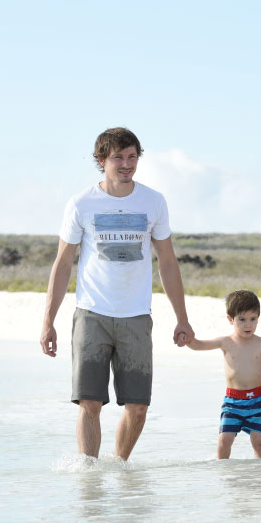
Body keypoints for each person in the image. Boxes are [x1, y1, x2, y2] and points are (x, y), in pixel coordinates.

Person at [40, 127, 195, 461]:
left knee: (138, 407)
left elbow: (167, 262)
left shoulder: (153, 201)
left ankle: (119, 467)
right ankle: (89, 478)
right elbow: (63, 263)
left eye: (132, 157)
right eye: (118, 158)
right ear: (101, 160)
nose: (126, 164)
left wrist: (183, 318)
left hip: (136, 316)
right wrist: (48, 321)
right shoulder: (81, 203)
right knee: (89, 403)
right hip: (91, 314)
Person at [187, 290, 261, 459]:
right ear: (230, 319)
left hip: (258, 402)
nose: (248, 325)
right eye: (242, 320)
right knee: (224, 441)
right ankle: (224, 473)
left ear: (258, 317)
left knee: (259, 443)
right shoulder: (225, 342)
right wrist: (188, 340)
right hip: (233, 403)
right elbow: (199, 345)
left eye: (253, 319)